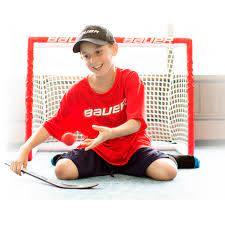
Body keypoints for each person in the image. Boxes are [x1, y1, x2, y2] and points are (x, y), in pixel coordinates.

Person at [10, 25, 198, 181]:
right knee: (62, 171)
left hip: (132, 148)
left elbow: (136, 123)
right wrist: (24, 148)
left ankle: (167, 159)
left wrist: (110, 134)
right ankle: (69, 159)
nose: (93, 60)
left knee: (167, 172)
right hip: (97, 150)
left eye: (98, 52)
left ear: (114, 49)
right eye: (86, 55)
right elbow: (53, 124)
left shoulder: (130, 79)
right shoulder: (76, 92)